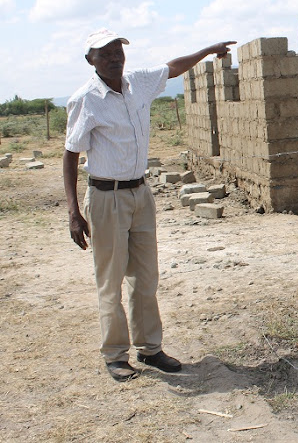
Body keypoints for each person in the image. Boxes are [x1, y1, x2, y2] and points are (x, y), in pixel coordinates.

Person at [63, 28, 235, 382]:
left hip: (140, 194)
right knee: (110, 279)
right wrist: (73, 212)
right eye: (105, 53)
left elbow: (172, 68)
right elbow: (70, 153)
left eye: (117, 50)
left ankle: (150, 348)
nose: (114, 57)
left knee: (145, 275)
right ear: (90, 60)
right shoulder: (86, 99)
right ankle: (114, 354)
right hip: (106, 196)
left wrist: (207, 49)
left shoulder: (137, 83)